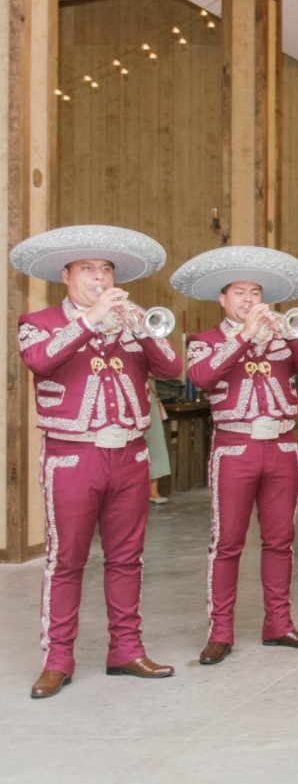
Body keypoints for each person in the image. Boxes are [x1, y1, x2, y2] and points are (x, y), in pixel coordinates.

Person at [10, 225, 183, 700]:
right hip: (72, 455)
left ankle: (125, 650)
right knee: (66, 560)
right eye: (87, 269)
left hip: (129, 453)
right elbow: (40, 361)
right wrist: (90, 320)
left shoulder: (133, 321)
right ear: (65, 276)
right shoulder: (39, 321)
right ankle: (57, 659)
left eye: (105, 269)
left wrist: (140, 326)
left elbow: (171, 368)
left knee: (127, 558)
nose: (99, 277)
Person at [174, 245, 298, 665]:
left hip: (281, 446)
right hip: (235, 448)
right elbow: (202, 378)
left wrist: (294, 335)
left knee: (281, 540)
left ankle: (279, 624)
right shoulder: (205, 341)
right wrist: (242, 337)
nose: (249, 300)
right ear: (223, 299)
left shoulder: (283, 339)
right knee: (227, 543)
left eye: (256, 292)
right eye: (239, 292)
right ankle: (220, 631)